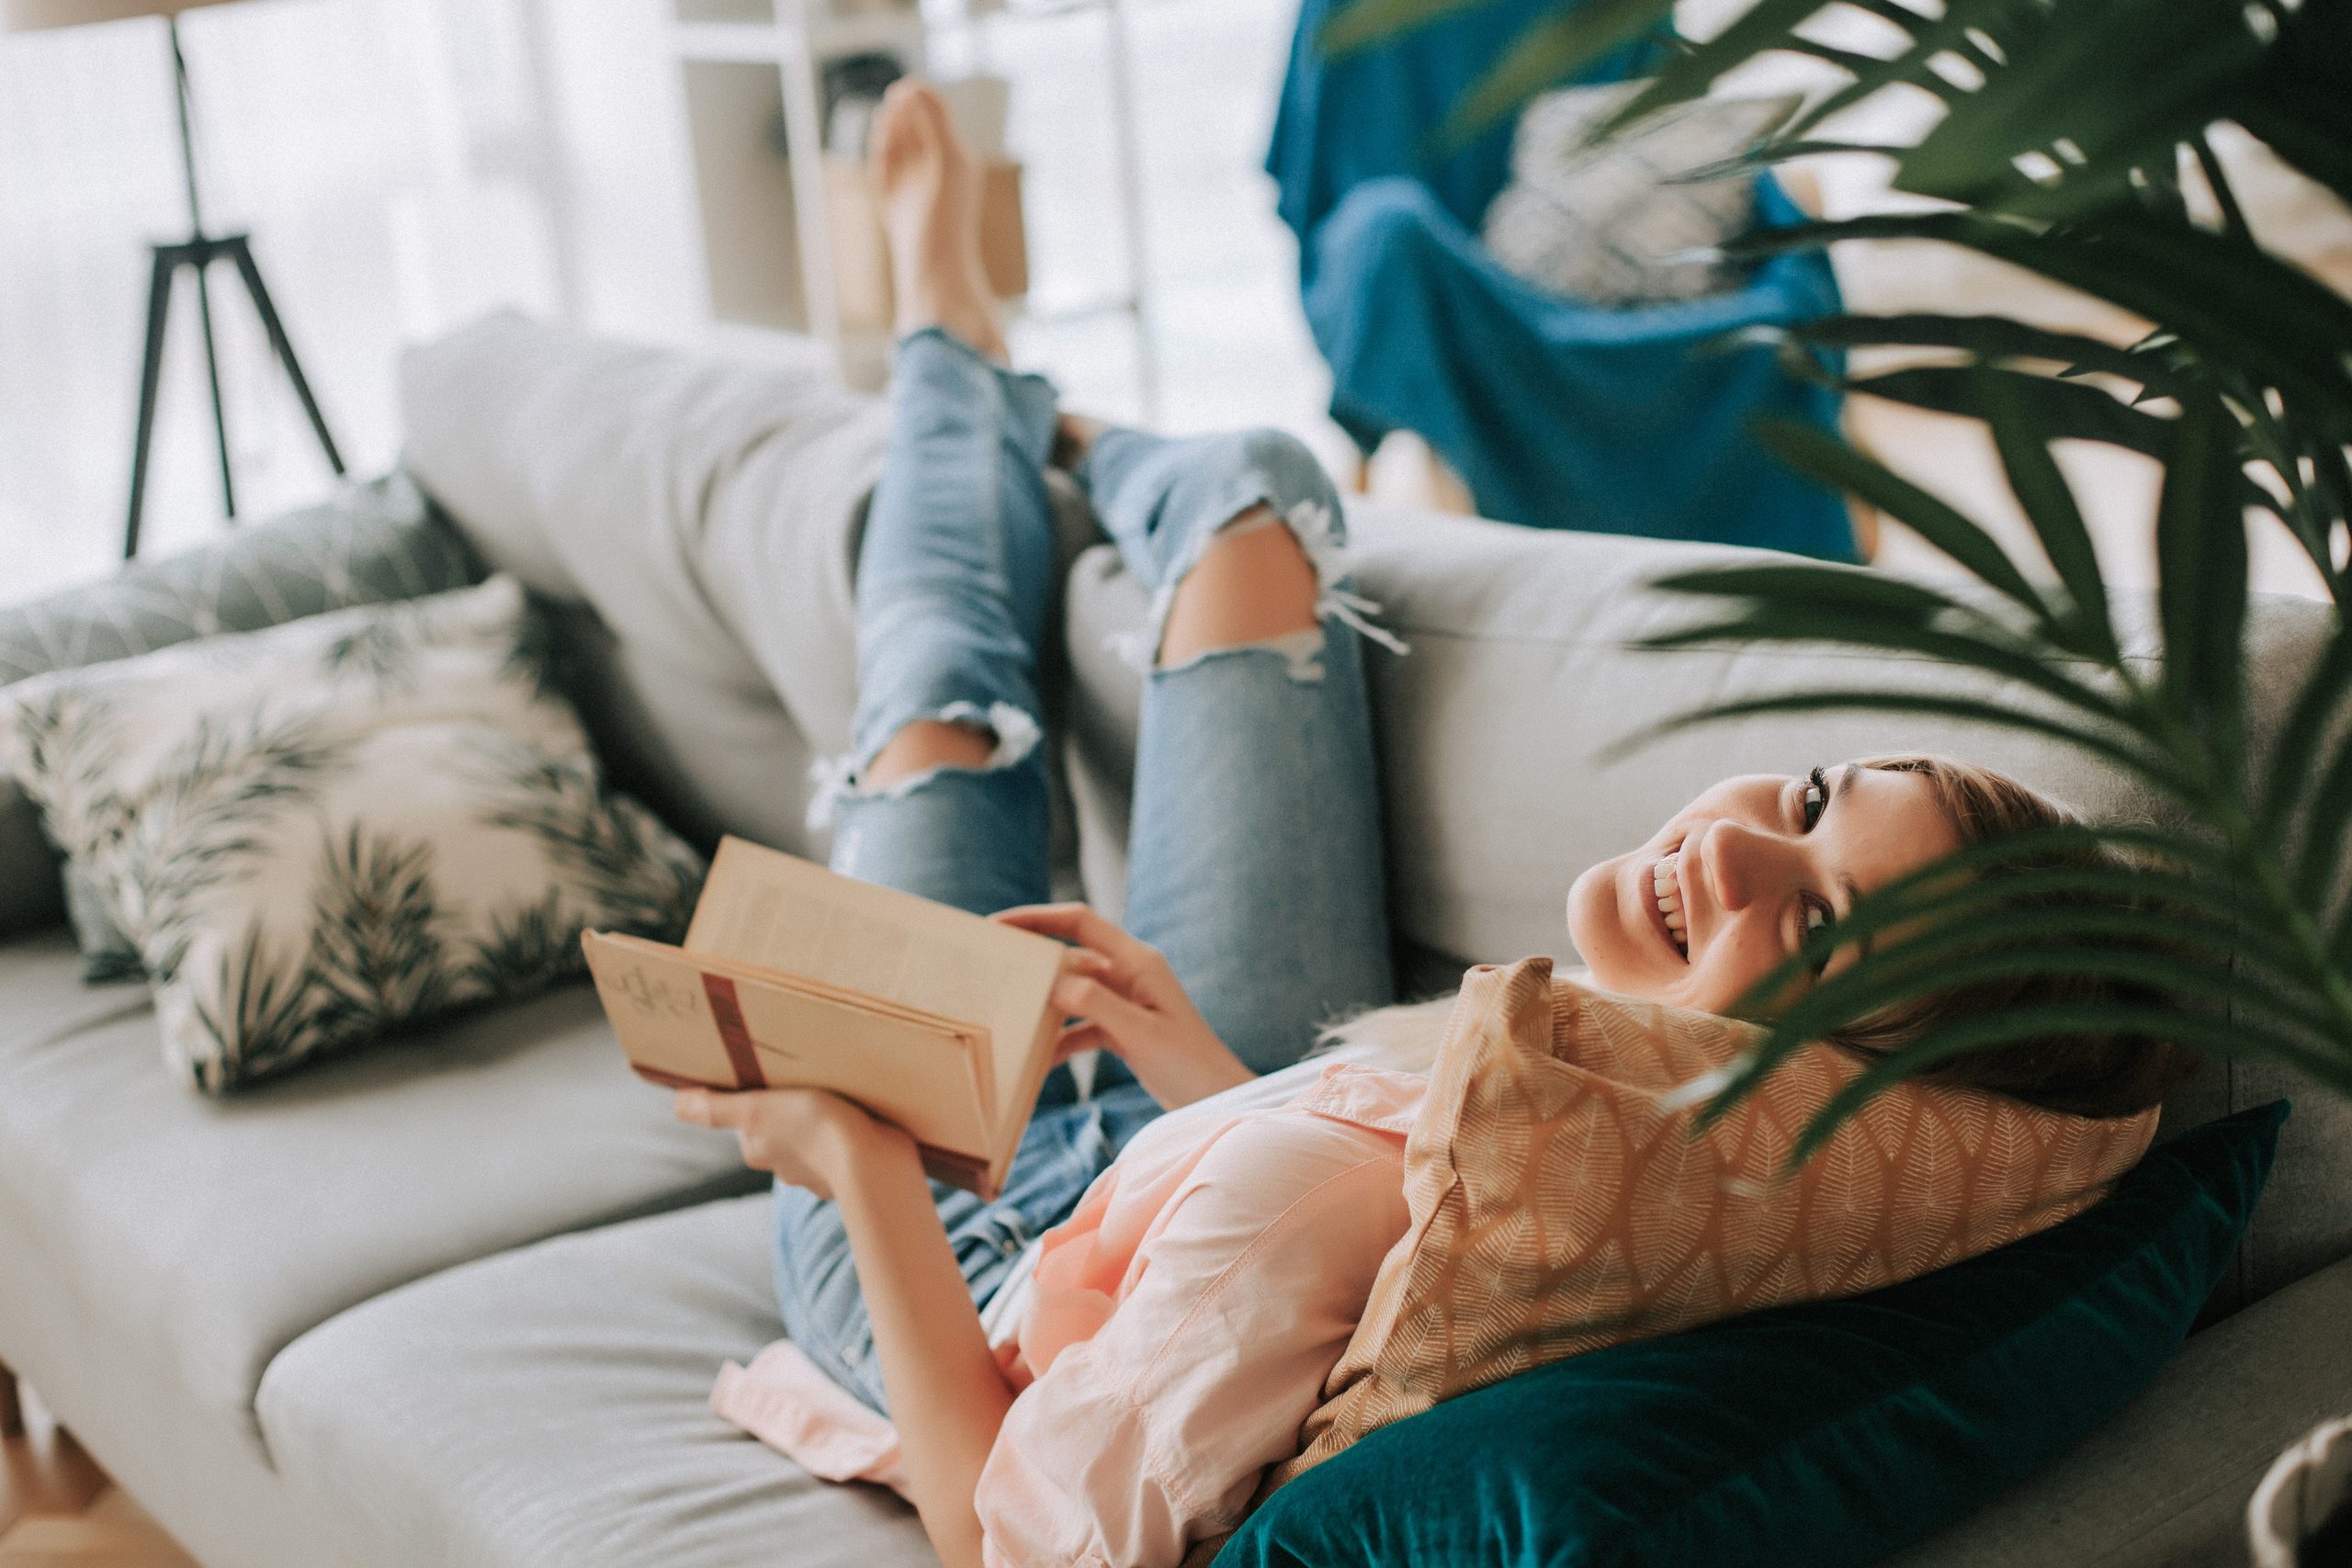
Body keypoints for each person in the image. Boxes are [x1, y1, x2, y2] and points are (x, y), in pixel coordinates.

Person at [674, 80, 2187, 1568]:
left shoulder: (1658, 1156)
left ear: (1805, 1117)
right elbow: (1329, 1234)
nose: (1731, 851)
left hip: (973, 1284)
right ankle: (1028, 416)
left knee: (940, 717)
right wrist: (1193, 1071)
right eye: (1807, 803)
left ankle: (946, 346)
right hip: (1212, 1136)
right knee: (1256, 501)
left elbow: (1021, 1538)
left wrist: (856, 1158)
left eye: (1816, 927)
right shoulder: (1571, 1111)